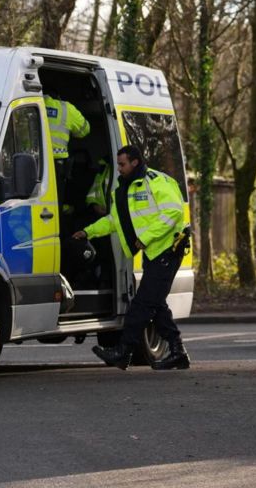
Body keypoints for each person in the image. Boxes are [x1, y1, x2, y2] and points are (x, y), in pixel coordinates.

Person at [73, 145, 190, 371]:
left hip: (167, 251)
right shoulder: (124, 189)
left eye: (123, 164)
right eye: (118, 164)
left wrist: (145, 237)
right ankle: (178, 352)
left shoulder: (155, 181)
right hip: (153, 254)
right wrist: (88, 232)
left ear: (135, 162)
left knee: (142, 303)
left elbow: (174, 212)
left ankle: (123, 351)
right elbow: (113, 221)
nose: (119, 169)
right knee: (155, 304)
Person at [45, 92, 90, 213]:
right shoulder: (65, 108)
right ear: (58, 96)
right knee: (56, 205)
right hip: (57, 166)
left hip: (28, 164)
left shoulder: (25, 102)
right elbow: (85, 130)